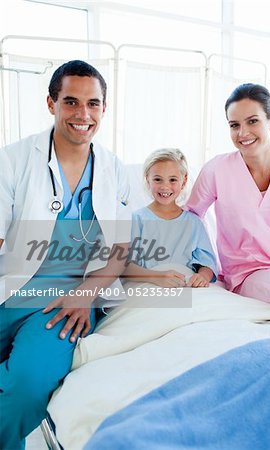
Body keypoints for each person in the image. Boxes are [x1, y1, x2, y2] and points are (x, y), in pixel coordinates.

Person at [0, 60, 131, 449]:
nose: (83, 114)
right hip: (12, 284)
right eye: (71, 102)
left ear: (104, 109)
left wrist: (87, 294)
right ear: (51, 103)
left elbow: (120, 251)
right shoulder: (14, 159)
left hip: (66, 298)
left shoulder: (112, 169)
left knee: (27, 384)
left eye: (93, 104)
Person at [186, 83, 270, 307]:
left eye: (252, 121)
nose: (242, 133)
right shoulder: (217, 169)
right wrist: (204, 264)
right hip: (248, 273)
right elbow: (190, 218)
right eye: (234, 125)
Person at [124, 149, 217, 287]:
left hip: (185, 284)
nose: (165, 186)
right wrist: (156, 277)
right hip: (148, 284)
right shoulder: (136, 220)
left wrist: (202, 276)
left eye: (172, 179)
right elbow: (124, 266)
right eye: (157, 179)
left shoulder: (193, 222)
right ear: (147, 179)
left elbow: (208, 264)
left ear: (184, 180)